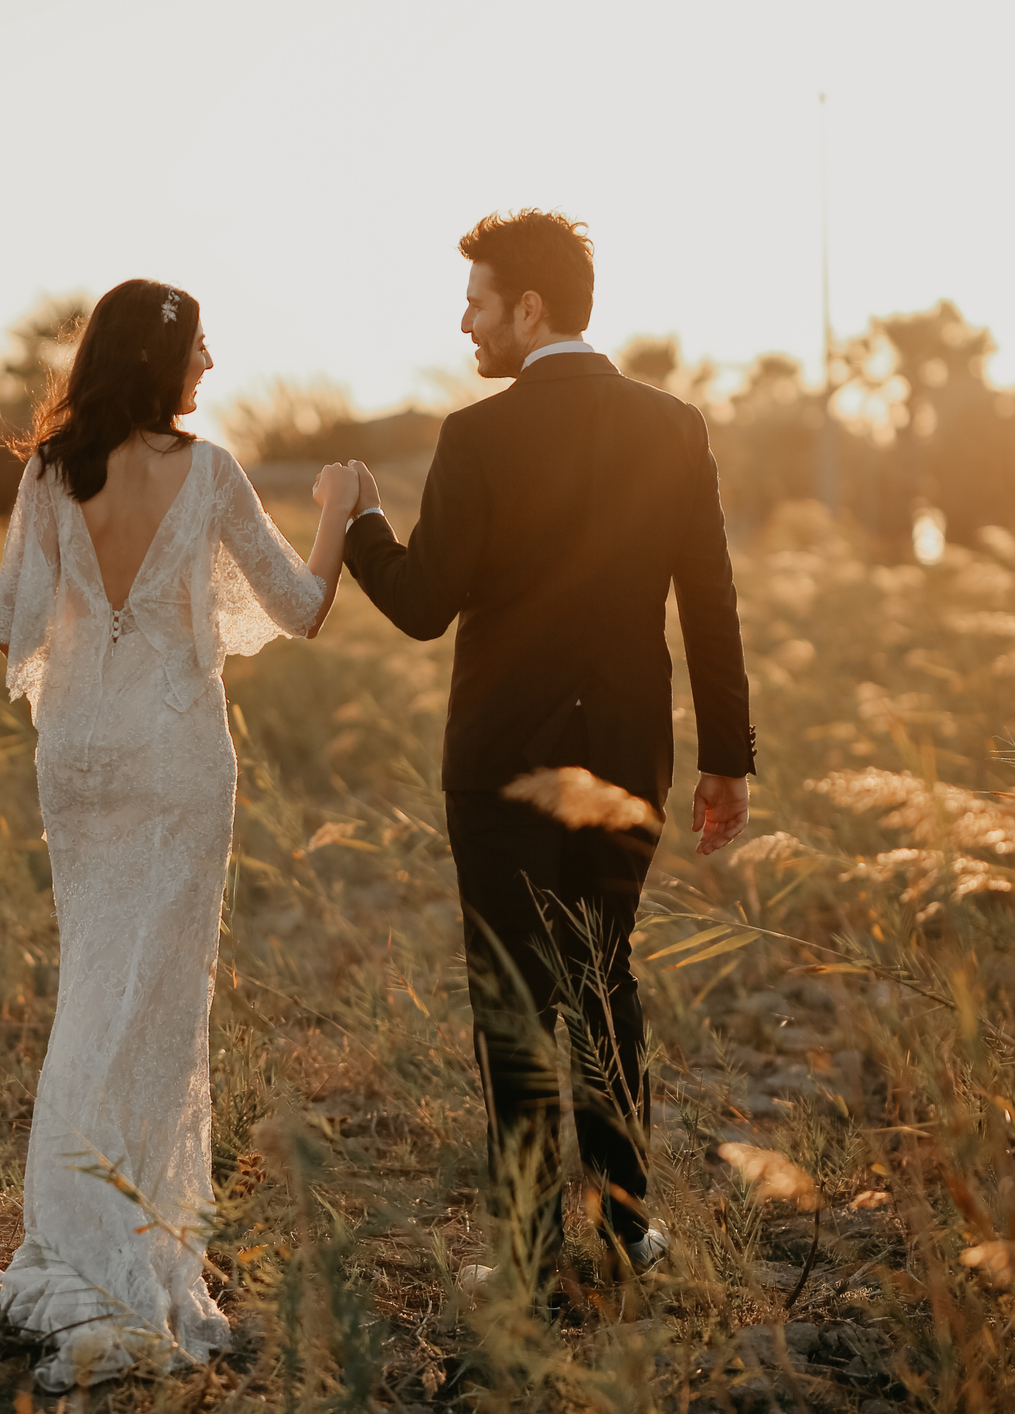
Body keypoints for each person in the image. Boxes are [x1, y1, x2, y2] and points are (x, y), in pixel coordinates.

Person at [0, 278, 357, 1390]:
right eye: (203, 349)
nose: (211, 367)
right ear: (165, 360)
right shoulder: (209, 473)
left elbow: (6, 622)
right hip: (174, 764)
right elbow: (301, 606)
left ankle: (77, 1246)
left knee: (92, 988)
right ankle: (139, 1267)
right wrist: (339, 510)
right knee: (159, 1007)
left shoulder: (56, 475)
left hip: (80, 763)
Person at [340, 209, 754, 1290]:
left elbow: (425, 605)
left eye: (478, 301)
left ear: (530, 308)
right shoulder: (674, 425)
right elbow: (710, 604)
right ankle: (628, 1230)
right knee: (605, 977)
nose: (464, 321)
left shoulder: (477, 436)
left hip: (497, 767)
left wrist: (359, 527)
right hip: (627, 757)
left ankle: (527, 1256)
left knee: (515, 1002)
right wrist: (728, 757)